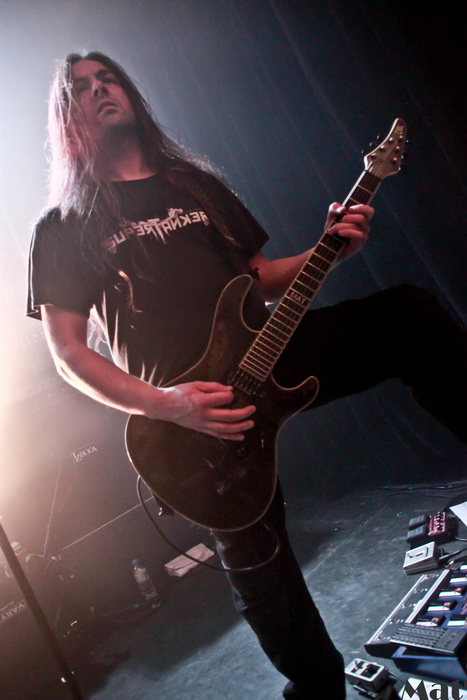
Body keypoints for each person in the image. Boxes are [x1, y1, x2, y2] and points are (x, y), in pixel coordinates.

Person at [28, 52, 466, 699]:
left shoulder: (195, 186)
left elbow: (257, 278)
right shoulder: (63, 225)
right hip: (186, 409)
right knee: (258, 554)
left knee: (407, 316)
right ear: (68, 116)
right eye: (82, 88)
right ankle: (316, 688)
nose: (99, 91)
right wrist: (168, 404)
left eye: (107, 78)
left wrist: (328, 249)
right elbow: (68, 352)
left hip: (265, 351)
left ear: (129, 91)